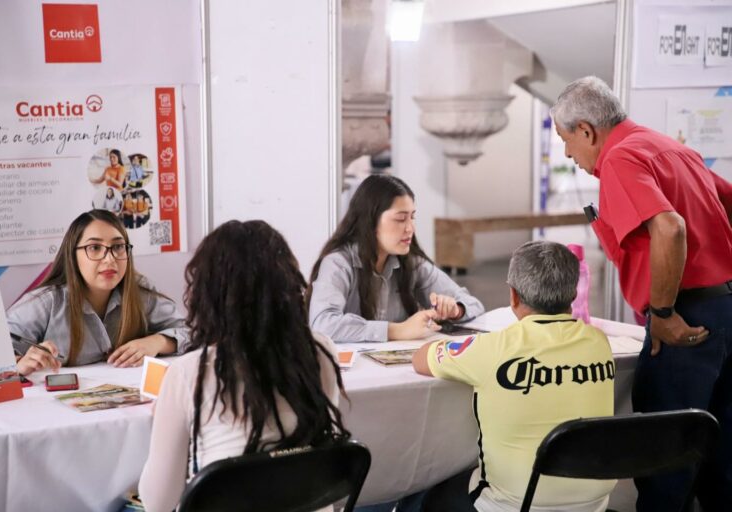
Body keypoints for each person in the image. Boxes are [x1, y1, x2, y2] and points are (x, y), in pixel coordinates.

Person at [551, 76, 732, 510]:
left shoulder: (620, 158)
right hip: (724, 310)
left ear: (586, 131)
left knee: (664, 461)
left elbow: (670, 228)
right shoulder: (669, 147)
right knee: (721, 461)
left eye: (566, 140)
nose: (567, 153)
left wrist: (665, 312)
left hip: (688, 318)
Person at [138, 220, 349, 512]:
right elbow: (334, 491)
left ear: (208, 294)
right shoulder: (321, 352)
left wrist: (167, 412)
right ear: (289, 285)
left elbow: (157, 503)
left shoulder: (189, 373)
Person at [413, 241, 616, 512]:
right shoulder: (598, 344)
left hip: (510, 506)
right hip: (592, 505)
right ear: (572, 295)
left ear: (514, 297)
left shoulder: (492, 348)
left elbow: (421, 358)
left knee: (430, 493)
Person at [7, 209, 188, 376]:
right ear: (72, 255)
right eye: (94, 248)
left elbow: (194, 333)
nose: (109, 259)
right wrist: (19, 364)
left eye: (118, 247)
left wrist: (157, 342)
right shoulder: (47, 302)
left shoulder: (141, 292)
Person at [308, 174, 484, 344]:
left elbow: (474, 304)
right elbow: (322, 324)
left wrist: (455, 310)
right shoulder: (338, 264)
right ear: (370, 221)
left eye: (412, 217)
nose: (410, 228)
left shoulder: (412, 263)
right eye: (400, 219)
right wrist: (397, 330)